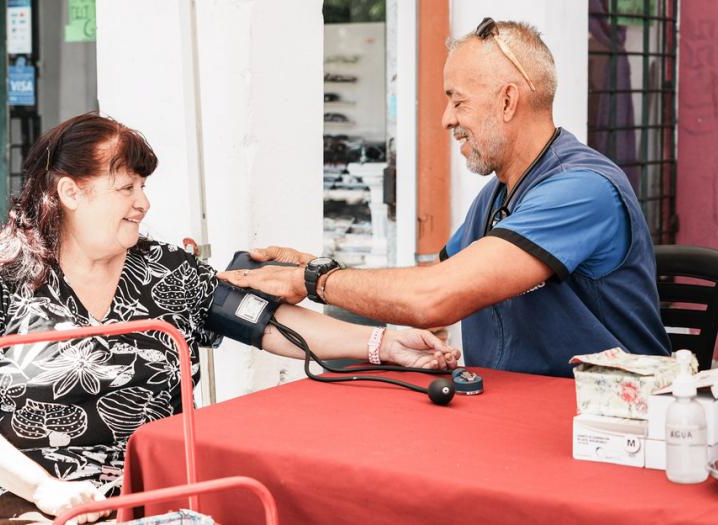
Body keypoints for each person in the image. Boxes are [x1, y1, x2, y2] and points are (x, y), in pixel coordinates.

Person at [0, 113, 457, 525]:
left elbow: (269, 323)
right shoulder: (5, 272)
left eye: (143, 186)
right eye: (126, 187)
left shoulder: (162, 270)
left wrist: (383, 343)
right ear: (70, 192)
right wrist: (43, 489)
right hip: (33, 499)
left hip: (155, 491)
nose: (143, 203)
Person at [219, 19, 671, 378]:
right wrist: (314, 268)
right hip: (512, 413)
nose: (444, 118)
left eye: (457, 100)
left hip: (607, 426)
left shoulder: (582, 189)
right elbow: (440, 276)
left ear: (508, 101)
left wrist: (315, 280)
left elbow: (436, 298)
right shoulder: (500, 193)